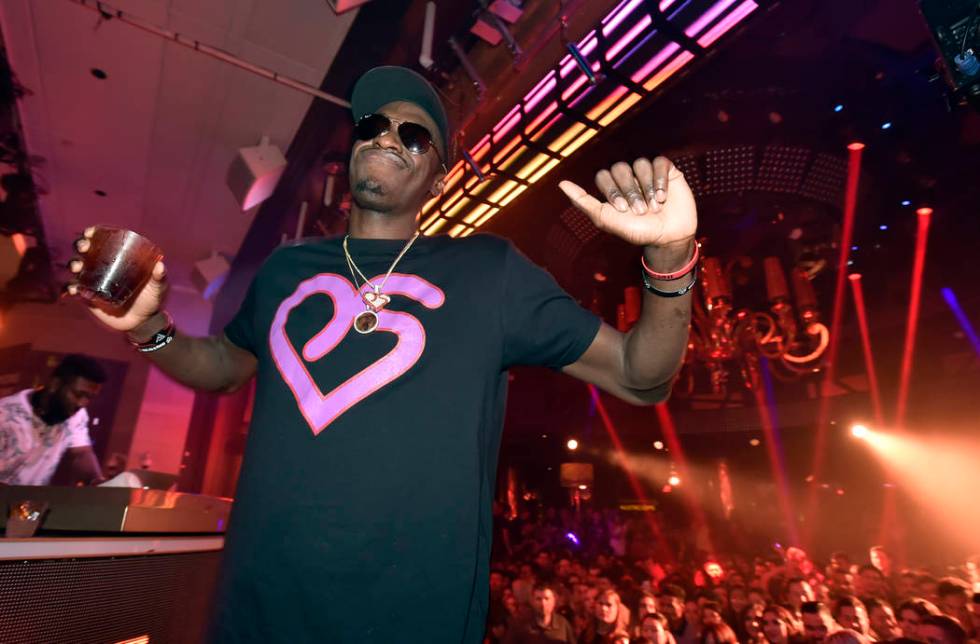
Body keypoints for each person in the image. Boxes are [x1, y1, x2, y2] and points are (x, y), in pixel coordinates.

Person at [68, 65, 698, 642]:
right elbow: (227, 366)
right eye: (372, 125)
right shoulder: (288, 268)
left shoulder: (489, 272)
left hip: (412, 618)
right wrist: (148, 325)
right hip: (260, 608)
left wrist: (669, 261)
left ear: (439, 177)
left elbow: (641, 377)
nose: (388, 137)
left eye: (415, 135)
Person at [0, 353, 106, 486]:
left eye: (90, 397)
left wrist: (98, 483)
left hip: (32, 504)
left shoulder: (77, 415)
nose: (82, 404)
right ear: (55, 384)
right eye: (78, 394)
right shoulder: (5, 414)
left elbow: (81, 455)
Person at [504, 583, 577, 644]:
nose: (543, 603)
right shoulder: (520, 624)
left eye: (547, 598)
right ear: (532, 601)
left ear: (554, 601)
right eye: (538, 599)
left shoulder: (562, 623)